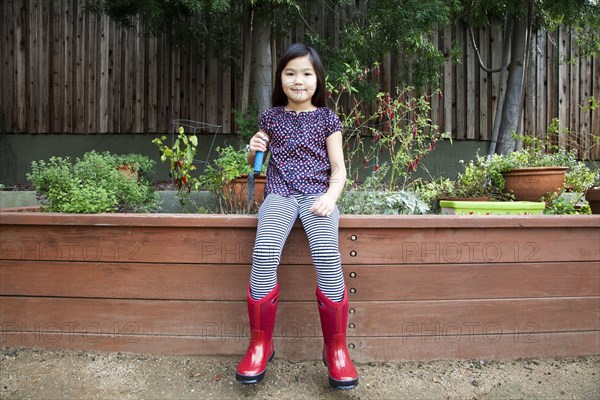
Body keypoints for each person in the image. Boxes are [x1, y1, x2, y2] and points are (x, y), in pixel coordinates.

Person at [234, 43, 359, 390]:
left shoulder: (327, 118)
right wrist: (252, 150)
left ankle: (335, 348)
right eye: (290, 73)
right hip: (280, 196)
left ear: (317, 79)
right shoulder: (270, 117)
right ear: (281, 78)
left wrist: (331, 198)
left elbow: (339, 169)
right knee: (263, 256)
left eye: (306, 73)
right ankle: (261, 344)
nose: (298, 81)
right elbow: (254, 165)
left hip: (318, 197)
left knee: (328, 260)